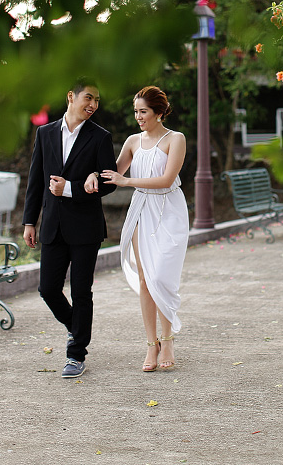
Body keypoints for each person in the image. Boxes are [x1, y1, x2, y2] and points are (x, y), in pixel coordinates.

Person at [22, 79, 118, 378]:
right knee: (47, 289)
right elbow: (36, 180)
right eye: (88, 98)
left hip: (86, 227)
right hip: (52, 226)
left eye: (97, 101)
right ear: (71, 97)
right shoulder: (46, 133)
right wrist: (29, 221)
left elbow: (108, 182)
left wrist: (72, 188)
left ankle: (76, 354)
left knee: (81, 291)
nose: (93, 105)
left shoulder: (100, 137)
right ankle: (76, 328)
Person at [95, 85, 188, 372]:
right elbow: (113, 174)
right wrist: (87, 177)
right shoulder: (133, 141)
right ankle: (152, 344)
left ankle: (168, 339)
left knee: (163, 276)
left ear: (159, 112)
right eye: (136, 111)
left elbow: (166, 179)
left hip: (170, 211)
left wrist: (127, 182)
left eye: (143, 111)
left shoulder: (176, 139)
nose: (138, 117)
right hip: (141, 211)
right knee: (147, 279)